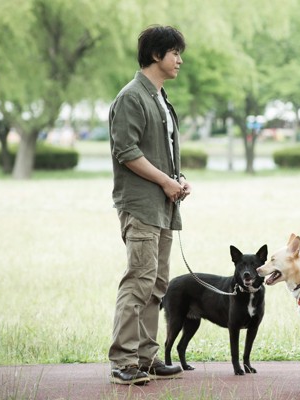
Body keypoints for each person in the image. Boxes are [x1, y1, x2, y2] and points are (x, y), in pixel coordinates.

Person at [108, 25, 192, 385]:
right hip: (141, 205)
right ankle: (123, 361)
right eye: (174, 53)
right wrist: (164, 180)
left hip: (163, 205)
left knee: (157, 284)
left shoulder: (159, 97)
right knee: (138, 282)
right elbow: (126, 152)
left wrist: (177, 179)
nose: (180, 60)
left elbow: (160, 152)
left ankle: (146, 357)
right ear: (156, 55)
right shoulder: (132, 96)